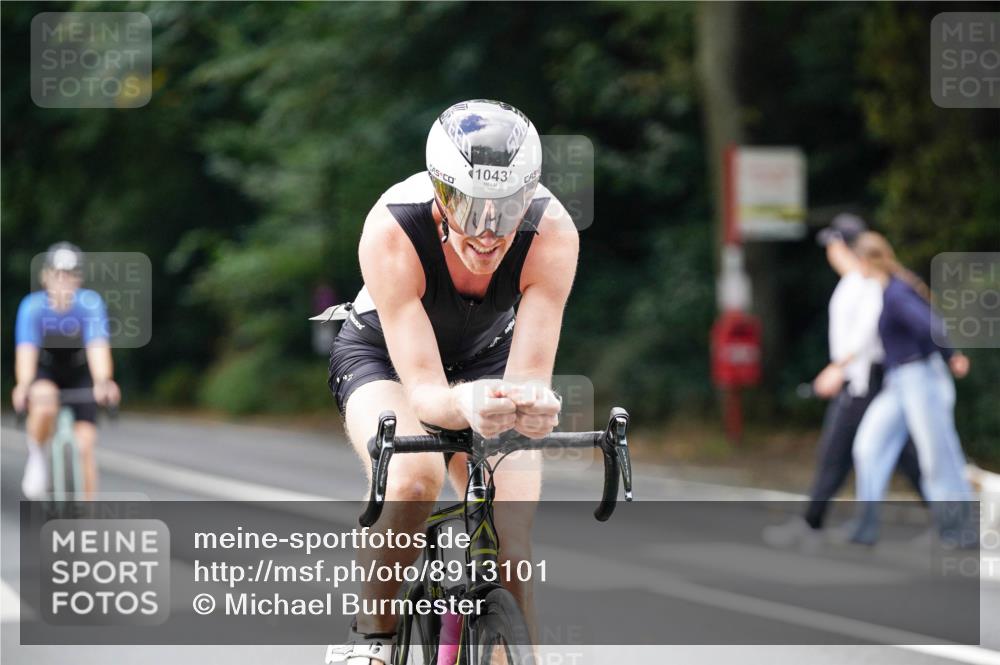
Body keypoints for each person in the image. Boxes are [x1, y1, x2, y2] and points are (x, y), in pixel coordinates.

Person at [325, 100, 575, 664]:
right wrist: (466, 403)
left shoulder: (552, 230)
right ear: (440, 197)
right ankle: (372, 636)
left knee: (511, 534)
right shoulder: (393, 227)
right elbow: (428, 397)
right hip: (386, 357)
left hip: (486, 359)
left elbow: (529, 375)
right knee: (414, 478)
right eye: (469, 207)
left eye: (507, 210)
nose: (487, 234)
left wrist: (532, 406)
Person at [764, 215, 924, 550]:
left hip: (866, 379)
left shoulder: (863, 281)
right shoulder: (854, 280)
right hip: (862, 378)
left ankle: (814, 523)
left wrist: (839, 367)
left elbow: (868, 330)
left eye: (832, 246)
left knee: (841, 452)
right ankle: (946, 518)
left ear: (841, 246)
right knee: (892, 451)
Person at [849, 232, 972, 546]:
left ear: (864, 260)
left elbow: (929, 324)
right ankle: (865, 526)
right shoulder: (888, 290)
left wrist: (951, 354)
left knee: (937, 456)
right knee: (868, 447)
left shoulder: (896, 293)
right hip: (898, 382)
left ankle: (959, 529)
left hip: (921, 379)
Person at [12, 243, 121, 500]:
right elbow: (27, 351)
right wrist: (24, 385)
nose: (63, 280)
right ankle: (37, 454)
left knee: (85, 446)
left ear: (78, 278)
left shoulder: (89, 304)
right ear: (46, 276)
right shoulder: (32, 306)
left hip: (79, 372)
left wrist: (104, 381)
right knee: (44, 403)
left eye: (69, 273)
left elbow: (97, 347)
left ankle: (88, 518)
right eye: (57, 273)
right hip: (47, 371)